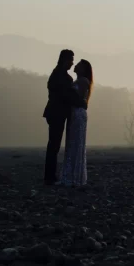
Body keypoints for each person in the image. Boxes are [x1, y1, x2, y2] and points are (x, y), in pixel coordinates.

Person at [42, 49, 87, 185]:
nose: (72, 63)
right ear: (65, 60)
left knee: (53, 145)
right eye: (71, 60)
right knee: (54, 145)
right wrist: (81, 103)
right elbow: (67, 95)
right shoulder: (61, 77)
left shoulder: (58, 75)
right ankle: (49, 177)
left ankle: (50, 175)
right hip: (57, 113)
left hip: (56, 113)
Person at [59, 59, 93, 187]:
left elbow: (78, 98)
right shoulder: (77, 81)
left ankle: (73, 177)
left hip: (78, 113)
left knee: (76, 143)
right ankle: (71, 175)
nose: (75, 65)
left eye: (79, 65)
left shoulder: (83, 81)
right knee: (72, 142)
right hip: (74, 113)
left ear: (83, 69)